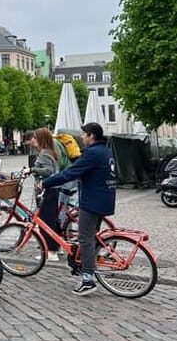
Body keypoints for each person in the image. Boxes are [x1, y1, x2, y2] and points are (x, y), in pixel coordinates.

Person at [42, 122, 117, 295]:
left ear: (91, 135)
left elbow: (70, 173)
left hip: (92, 201)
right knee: (91, 237)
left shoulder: (92, 153)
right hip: (105, 198)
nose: (81, 137)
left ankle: (88, 279)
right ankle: (87, 264)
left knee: (85, 239)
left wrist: (46, 182)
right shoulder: (105, 151)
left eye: (83, 134)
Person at [25, 128, 62, 262]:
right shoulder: (50, 151)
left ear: (41, 139)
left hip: (47, 191)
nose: (33, 140)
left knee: (45, 221)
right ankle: (54, 248)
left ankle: (51, 251)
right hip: (52, 190)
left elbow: (48, 170)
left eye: (35, 137)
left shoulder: (44, 153)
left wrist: (32, 169)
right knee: (51, 220)